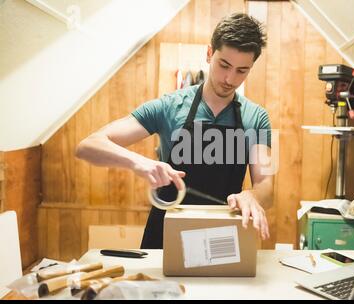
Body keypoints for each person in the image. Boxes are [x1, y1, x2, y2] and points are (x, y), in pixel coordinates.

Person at [76, 13, 274, 249]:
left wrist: (253, 195)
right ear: (209, 54)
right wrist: (140, 163)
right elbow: (88, 146)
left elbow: (267, 188)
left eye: (242, 70)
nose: (230, 79)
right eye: (224, 65)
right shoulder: (169, 106)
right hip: (166, 235)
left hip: (223, 239)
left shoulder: (257, 117)